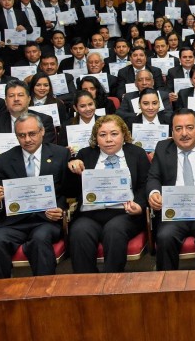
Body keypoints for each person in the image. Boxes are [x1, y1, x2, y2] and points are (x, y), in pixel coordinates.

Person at [0, 113, 69, 279]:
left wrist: (60, 210)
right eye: (22, 135)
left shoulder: (60, 154)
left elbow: (67, 191)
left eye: (32, 134)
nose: (27, 139)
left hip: (46, 220)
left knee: (40, 239)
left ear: (42, 131)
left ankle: (44, 291)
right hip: (13, 222)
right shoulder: (3, 160)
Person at [67, 115, 150, 273]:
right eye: (102, 135)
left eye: (114, 134)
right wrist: (71, 167)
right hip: (90, 214)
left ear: (124, 134)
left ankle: (112, 280)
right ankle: (85, 282)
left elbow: (145, 185)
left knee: (114, 230)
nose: (108, 139)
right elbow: (71, 190)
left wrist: (139, 205)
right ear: (96, 137)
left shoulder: (137, 154)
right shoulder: (85, 154)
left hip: (125, 213)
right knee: (79, 232)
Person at [146, 108, 195, 270]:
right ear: (172, 132)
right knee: (165, 237)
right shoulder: (162, 148)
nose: (184, 133)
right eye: (178, 128)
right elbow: (153, 177)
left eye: (189, 127)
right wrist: (154, 193)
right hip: (173, 213)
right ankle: (168, 282)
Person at [0, 78, 56, 144]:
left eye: (20, 95)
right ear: (6, 101)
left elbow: (47, 148)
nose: (16, 99)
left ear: (29, 99)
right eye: (11, 96)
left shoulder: (44, 121)